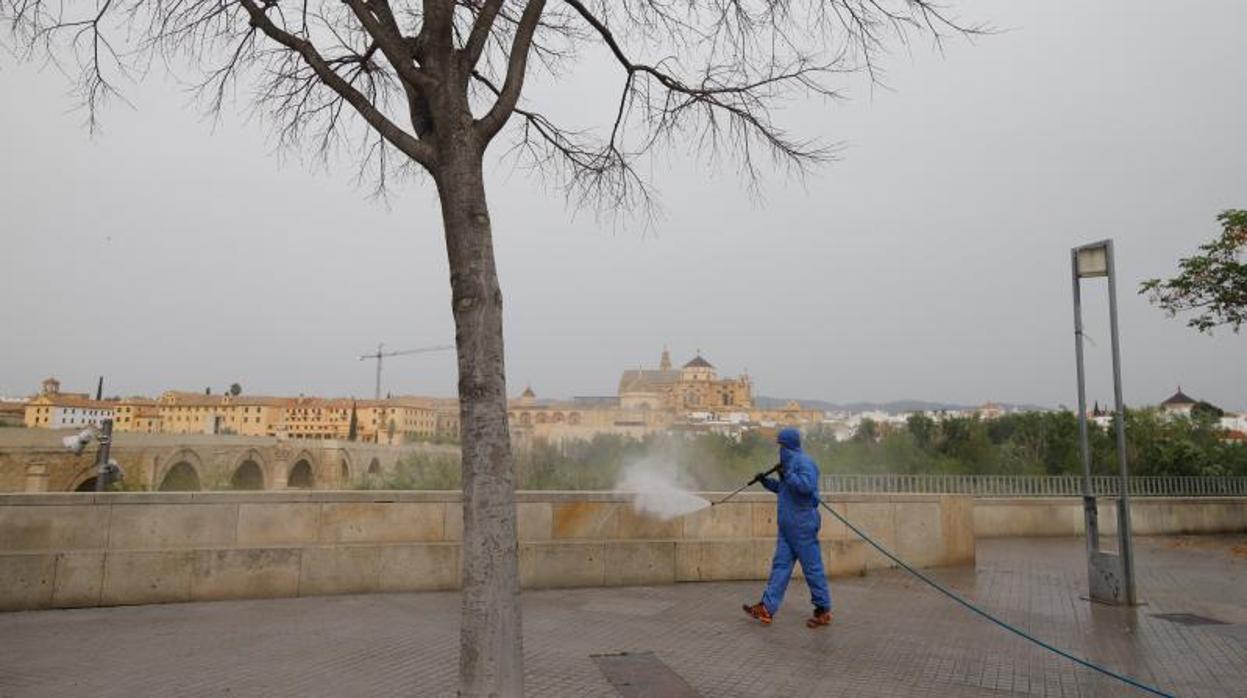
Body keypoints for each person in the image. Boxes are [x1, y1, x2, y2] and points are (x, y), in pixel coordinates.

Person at [743, 427, 832, 628]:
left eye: (782, 446)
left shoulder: (804, 463)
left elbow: (806, 487)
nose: (780, 450)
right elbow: (784, 490)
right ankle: (767, 608)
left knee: (812, 569)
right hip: (787, 528)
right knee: (780, 568)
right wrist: (766, 482)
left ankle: (823, 610)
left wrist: (788, 474)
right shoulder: (789, 464)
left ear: (789, 445)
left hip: (803, 525)